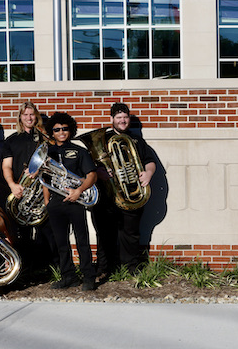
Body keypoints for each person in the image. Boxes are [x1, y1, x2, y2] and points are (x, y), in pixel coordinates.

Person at [89, 103, 157, 274]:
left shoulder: (136, 140)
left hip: (129, 194)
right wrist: (99, 172)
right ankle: (104, 268)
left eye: (125, 117)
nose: (122, 120)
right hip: (106, 195)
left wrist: (148, 173)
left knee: (130, 233)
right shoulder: (102, 138)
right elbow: (90, 164)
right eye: (118, 117)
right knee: (104, 233)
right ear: (112, 119)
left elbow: (149, 161)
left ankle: (131, 268)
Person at [44, 113, 99, 291]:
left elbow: (92, 175)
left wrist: (79, 191)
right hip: (56, 203)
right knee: (61, 243)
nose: (61, 132)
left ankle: (89, 277)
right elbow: (46, 179)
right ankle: (68, 276)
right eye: (57, 129)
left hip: (76, 201)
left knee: (82, 240)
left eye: (65, 129)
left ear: (70, 130)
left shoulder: (79, 151)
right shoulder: (47, 152)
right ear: (52, 132)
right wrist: (47, 202)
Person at [1, 102, 53, 273]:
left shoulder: (46, 139)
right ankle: (24, 270)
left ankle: (44, 270)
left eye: (32, 114)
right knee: (21, 233)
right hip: (21, 192)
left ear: (36, 117)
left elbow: (54, 164)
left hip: (41, 191)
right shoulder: (11, 140)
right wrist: (12, 185)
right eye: (25, 115)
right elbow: (6, 166)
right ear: (20, 117)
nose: (29, 118)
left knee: (43, 231)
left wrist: (40, 169)